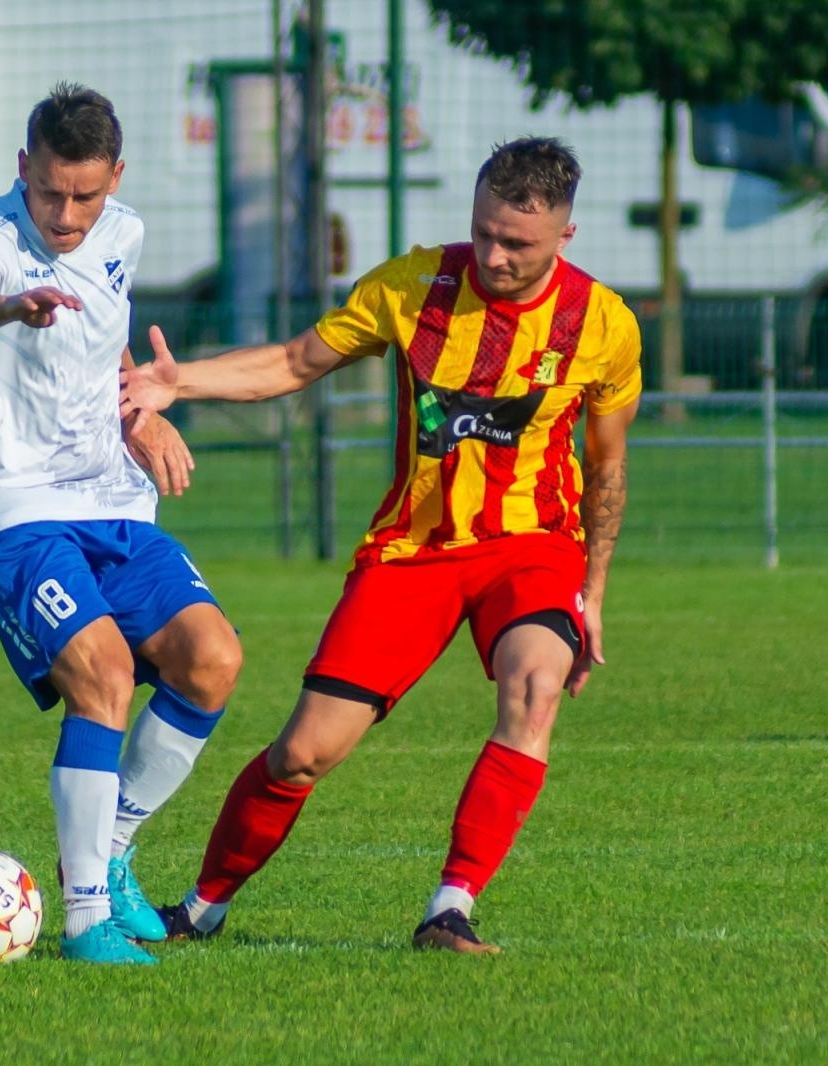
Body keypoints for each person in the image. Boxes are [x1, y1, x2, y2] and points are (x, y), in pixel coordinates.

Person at [119, 136, 640, 954]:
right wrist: (179, 380)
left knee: (533, 691)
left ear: (564, 238)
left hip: (532, 550)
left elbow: (607, 470)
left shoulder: (604, 325)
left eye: (519, 244)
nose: (496, 255)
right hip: (413, 552)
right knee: (301, 754)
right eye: (486, 232)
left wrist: (593, 592)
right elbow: (294, 362)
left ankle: (450, 908)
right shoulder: (415, 284)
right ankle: (200, 907)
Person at [0, 82, 242, 966]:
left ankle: (113, 849)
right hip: (11, 507)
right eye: (50, 190)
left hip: (109, 498)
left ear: (116, 180)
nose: (65, 214)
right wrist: (5, 306)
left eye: (85, 195)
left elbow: (103, 356)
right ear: (24, 167)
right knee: (102, 673)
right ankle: (83, 918)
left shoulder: (125, 233)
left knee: (211, 660)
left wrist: (142, 414)